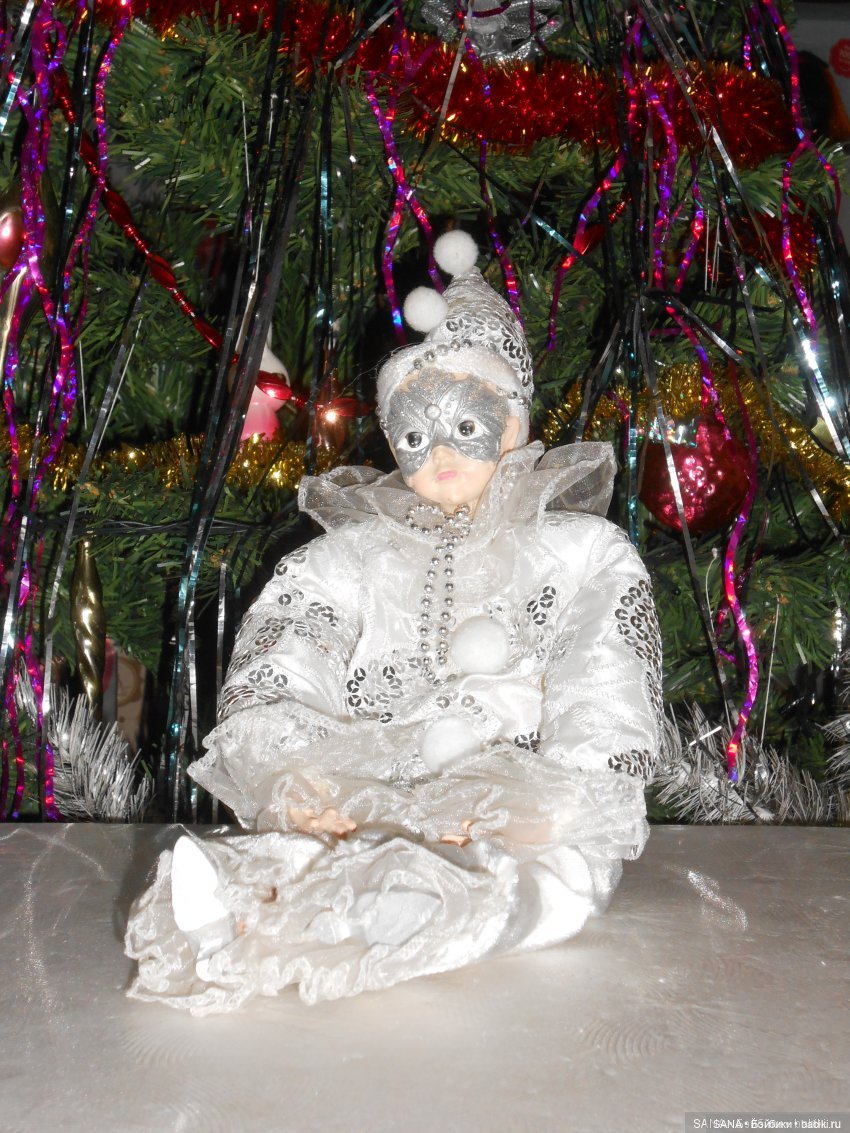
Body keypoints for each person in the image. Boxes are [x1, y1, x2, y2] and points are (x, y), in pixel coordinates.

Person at [125, 232, 663, 1014]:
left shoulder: (579, 551)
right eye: (413, 435)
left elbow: (605, 671)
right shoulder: (356, 556)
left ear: (512, 424)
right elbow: (288, 639)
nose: (438, 453)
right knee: (316, 846)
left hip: (520, 800)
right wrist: (295, 768)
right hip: (377, 785)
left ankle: (420, 910)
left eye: (465, 425)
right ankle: (234, 905)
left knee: (554, 878)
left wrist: (563, 795)